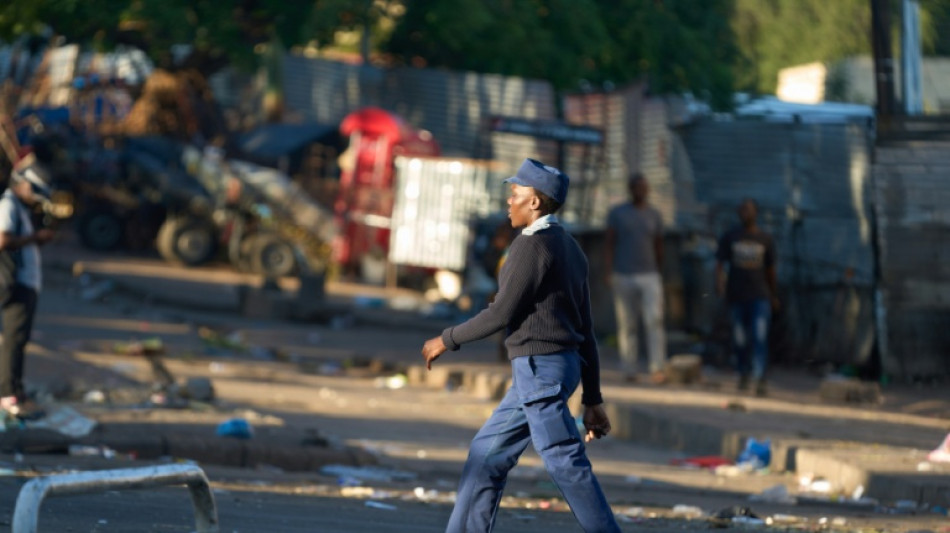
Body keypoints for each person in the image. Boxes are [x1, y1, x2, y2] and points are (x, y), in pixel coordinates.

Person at [421, 158, 620, 533]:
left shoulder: (530, 247)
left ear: (535, 203)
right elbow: (586, 329)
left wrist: (445, 340)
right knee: (485, 454)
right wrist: (592, 399)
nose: (508, 202)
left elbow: (500, 314)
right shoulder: (571, 248)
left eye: (514, 194)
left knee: (565, 461)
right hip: (551, 370)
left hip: (539, 369)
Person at [0, 157, 55, 418]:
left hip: (26, 283)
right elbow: (3, 239)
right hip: (17, 284)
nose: (37, 199)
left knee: (18, 340)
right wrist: (36, 238)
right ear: (24, 185)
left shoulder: (20, 207)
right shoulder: (8, 204)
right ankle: (8, 395)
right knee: (13, 340)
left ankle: (15, 392)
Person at [604, 173, 666, 383]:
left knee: (654, 321)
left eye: (644, 187)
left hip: (649, 274)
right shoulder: (617, 213)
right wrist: (608, 271)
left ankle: (657, 367)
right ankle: (629, 368)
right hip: (623, 274)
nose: (641, 191)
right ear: (630, 189)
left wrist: (659, 271)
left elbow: (659, 245)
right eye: (637, 187)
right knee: (627, 324)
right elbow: (610, 243)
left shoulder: (654, 215)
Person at [715, 199, 778, 397]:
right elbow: (719, 265)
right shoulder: (730, 236)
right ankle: (743, 373)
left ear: (756, 213)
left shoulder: (765, 239)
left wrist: (773, 295)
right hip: (736, 296)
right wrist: (720, 285)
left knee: (759, 337)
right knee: (740, 338)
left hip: (760, 296)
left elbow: (771, 270)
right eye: (742, 209)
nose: (746, 213)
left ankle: (759, 378)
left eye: (749, 210)